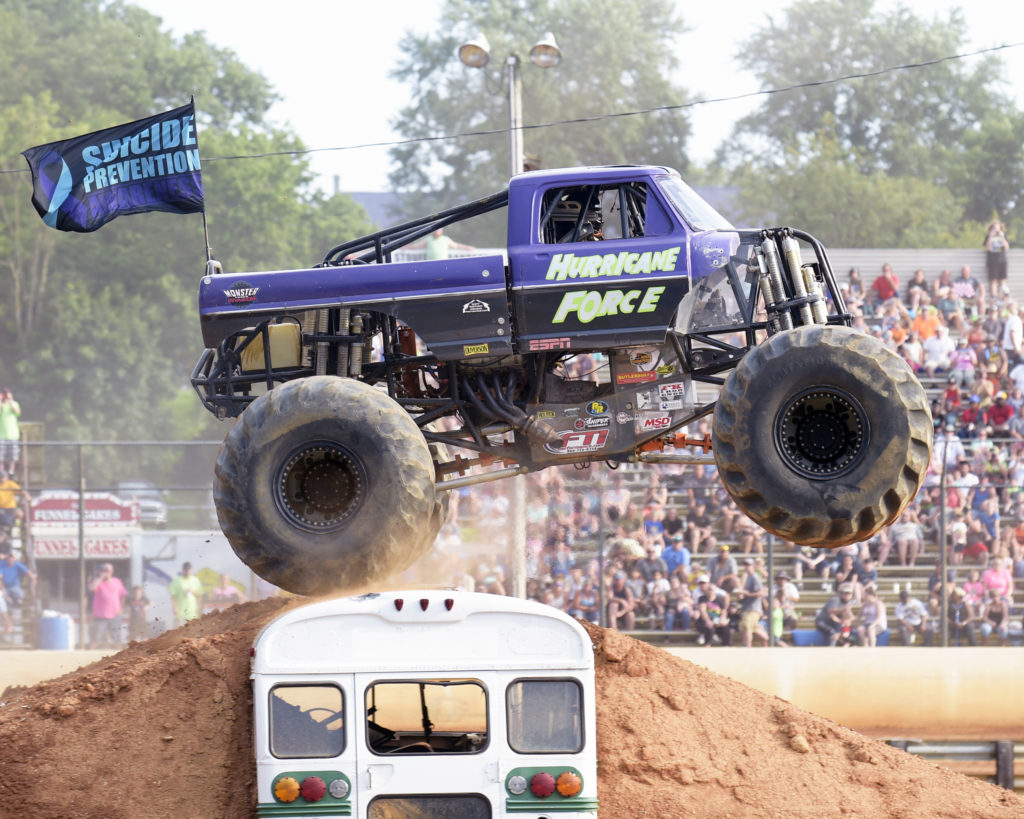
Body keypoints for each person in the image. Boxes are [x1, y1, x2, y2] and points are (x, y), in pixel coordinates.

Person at [88, 563, 128, 649]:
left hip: (115, 614)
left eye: (108, 570)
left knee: (117, 638)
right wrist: (100, 577)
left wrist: (122, 608)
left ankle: (121, 656)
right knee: (96, 638)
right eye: (105, 570)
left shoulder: (117, 581)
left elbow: (123, 595)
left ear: (112, 571)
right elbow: (91, 588)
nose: (107, 572)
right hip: (100, 615)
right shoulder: (98, 582)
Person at [737, 559, 768, 647]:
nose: (747, 567)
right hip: (748, 607)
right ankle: (767, 640)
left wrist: (746, 593)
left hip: (753, 608)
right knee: (749, 627)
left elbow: (761, 593)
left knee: (747, 628)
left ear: (753, 566)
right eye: (745, 565)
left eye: (749, 565)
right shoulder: (748, 577)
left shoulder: (755, 577)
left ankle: (748, 647)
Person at [694, 574, 732, 646]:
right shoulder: (702, 598)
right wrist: (708, 621)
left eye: (712, 590)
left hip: (717, 621)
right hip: (704, 621)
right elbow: (703, 611)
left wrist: (722, 619)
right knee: (709, 627)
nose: (710, 591)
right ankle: (707, 644)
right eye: (709, 589)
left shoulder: (720, 599)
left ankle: (726, 646)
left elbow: (724, 610)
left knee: (726, 629)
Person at [983, 220, 1010, 299]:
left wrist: (1002, 237)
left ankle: (1003, 298)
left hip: (1002, 260)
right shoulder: (988, 237)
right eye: (994, 228)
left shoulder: (1003, 236)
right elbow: (987, 248)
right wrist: (991, 236)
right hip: (992, 261)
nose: (996, 230)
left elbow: (1007, 247)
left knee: (1002, 280)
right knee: (993, 280)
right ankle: (994, 298)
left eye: (998, 228)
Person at [0, 390, 21, 475]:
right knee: (1, 456)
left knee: (13, 456)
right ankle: (1, 472)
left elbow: (17, 412)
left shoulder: (14, 403)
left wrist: (10, 401)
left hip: (13, 435)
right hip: (1, 435)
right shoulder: (1, 405)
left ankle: (11, 472)